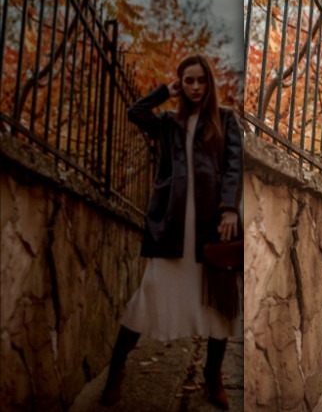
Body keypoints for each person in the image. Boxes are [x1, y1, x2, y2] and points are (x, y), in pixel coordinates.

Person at [99, 54, 242, 410]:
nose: (195, 87)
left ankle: (213, 376)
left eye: (200, 80)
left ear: (210, 84)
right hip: (171, 226)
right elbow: (135, 112)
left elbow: (233, 167)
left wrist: (228, 208)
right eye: (188, 81)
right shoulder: (168, 122)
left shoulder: (226, 120)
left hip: (209, 229)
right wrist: (166, 90)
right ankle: (116, 372)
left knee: (218, 306)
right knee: (146, 297)